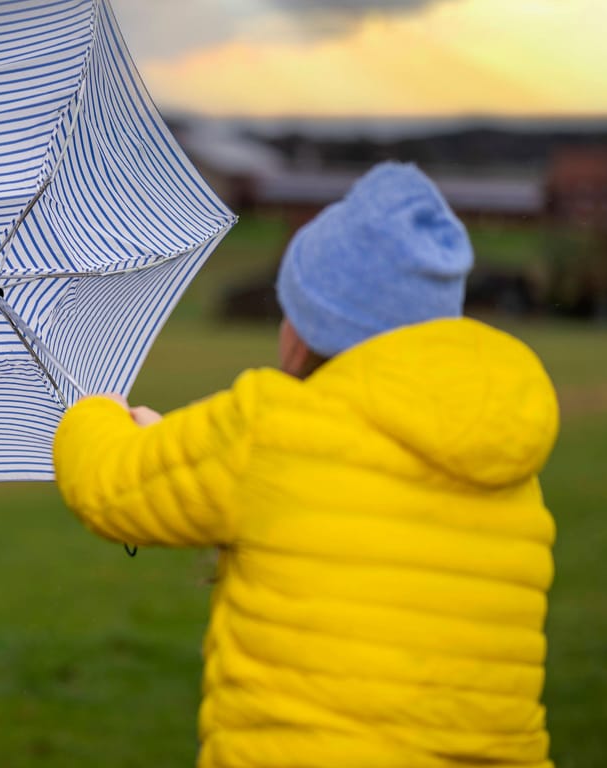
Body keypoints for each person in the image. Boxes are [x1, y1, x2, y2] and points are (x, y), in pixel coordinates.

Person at [53, 162, 560, 768]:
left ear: (313, 327)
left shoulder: (269, 430)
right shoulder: (510, 467)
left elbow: (113, 484)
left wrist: (95, 412)